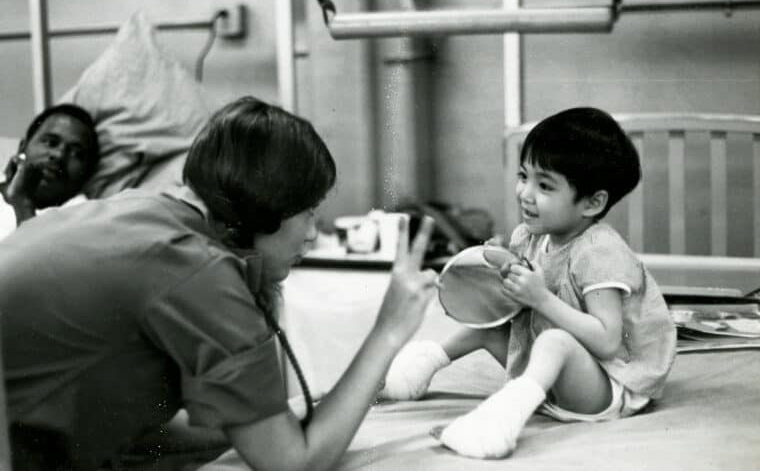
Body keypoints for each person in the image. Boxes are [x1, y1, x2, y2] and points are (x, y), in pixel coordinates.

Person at [0, 96, 439, 471]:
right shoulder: (201, 271)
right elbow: (293, 463)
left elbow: (148, 432)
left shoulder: (144, 213)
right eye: (307, 211)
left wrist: (270, 419)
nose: (311, 233)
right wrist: (388, 331)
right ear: (262, 209)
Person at [380, 107, 678, 459]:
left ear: (593, 202)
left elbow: (609, 341)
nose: (525, 193)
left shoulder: (598, 253)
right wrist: (501, 267)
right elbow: (524, 294)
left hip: (609, 384)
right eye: (524, 176)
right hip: (560, 379)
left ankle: (501, 420)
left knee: (556, 342)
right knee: (491, 324)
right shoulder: (531, 235)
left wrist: (542, 300)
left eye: (545, 186)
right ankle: (421, 367)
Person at [0, 103, 99, 239]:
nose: (59, 155)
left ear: (87, 172)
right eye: (51, 142)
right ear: (23, 147)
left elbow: (38, 259)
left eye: (76, 153)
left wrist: (23, 204)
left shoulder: (82, 217)